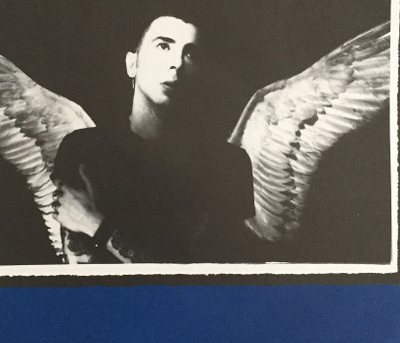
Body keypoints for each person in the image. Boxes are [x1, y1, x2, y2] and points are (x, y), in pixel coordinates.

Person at [51, 14, 255, 263]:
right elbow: (81, 271)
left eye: (190, 53)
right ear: (132, 64)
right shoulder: (84, 149)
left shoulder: (228, 163)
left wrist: (96, 225)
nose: (176, 64)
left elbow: (203, 279)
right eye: (163, 46)